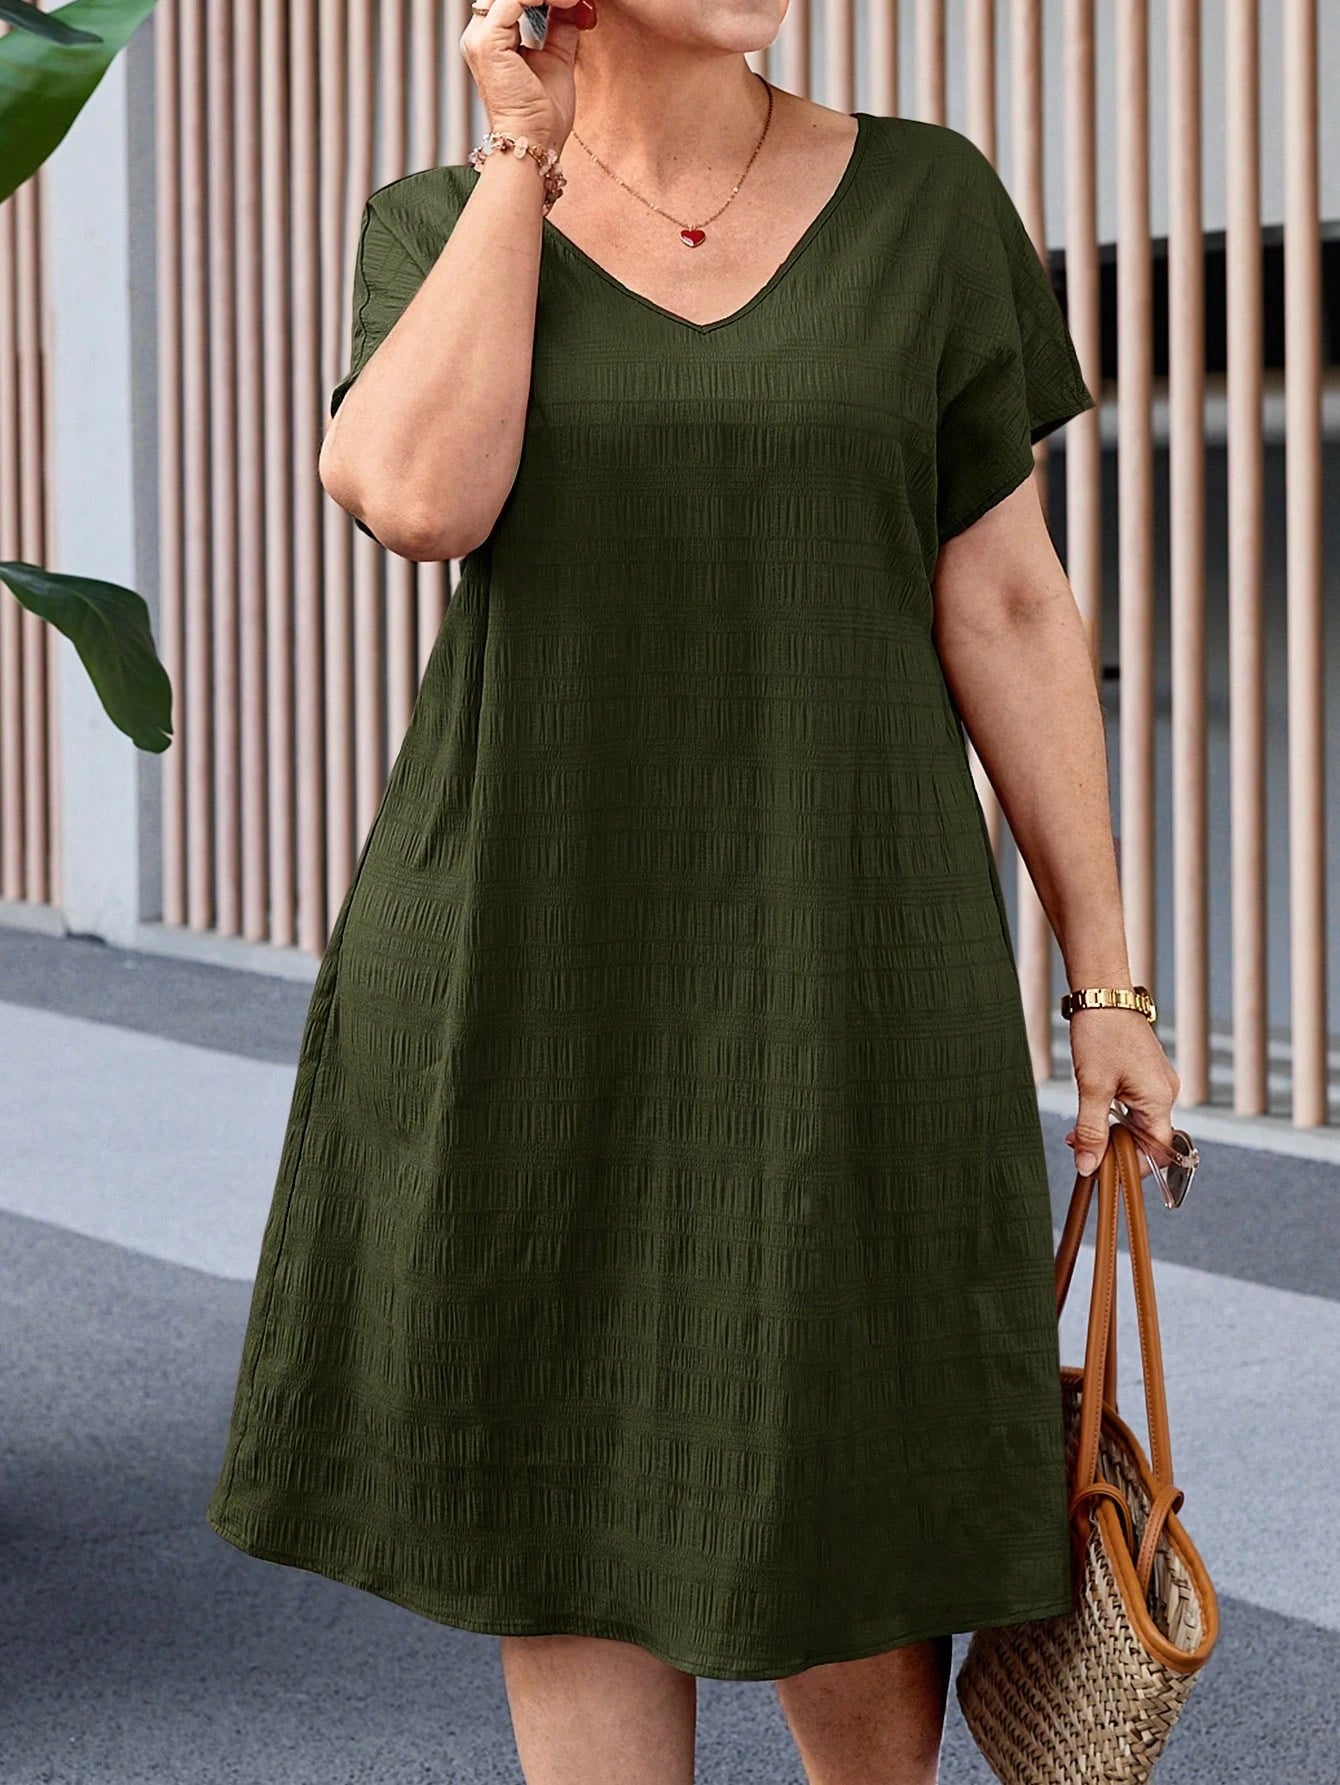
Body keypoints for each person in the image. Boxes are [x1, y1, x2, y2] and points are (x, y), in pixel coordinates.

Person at [207, 2, 1187, 1781]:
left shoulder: (926, 207)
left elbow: (1008, 602)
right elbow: (418, 496)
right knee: (568, 1509)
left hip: (851, 959)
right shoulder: (440, 222)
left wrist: (1106, 981)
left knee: (859, 1511)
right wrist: (522, 153)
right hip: (538, 956)